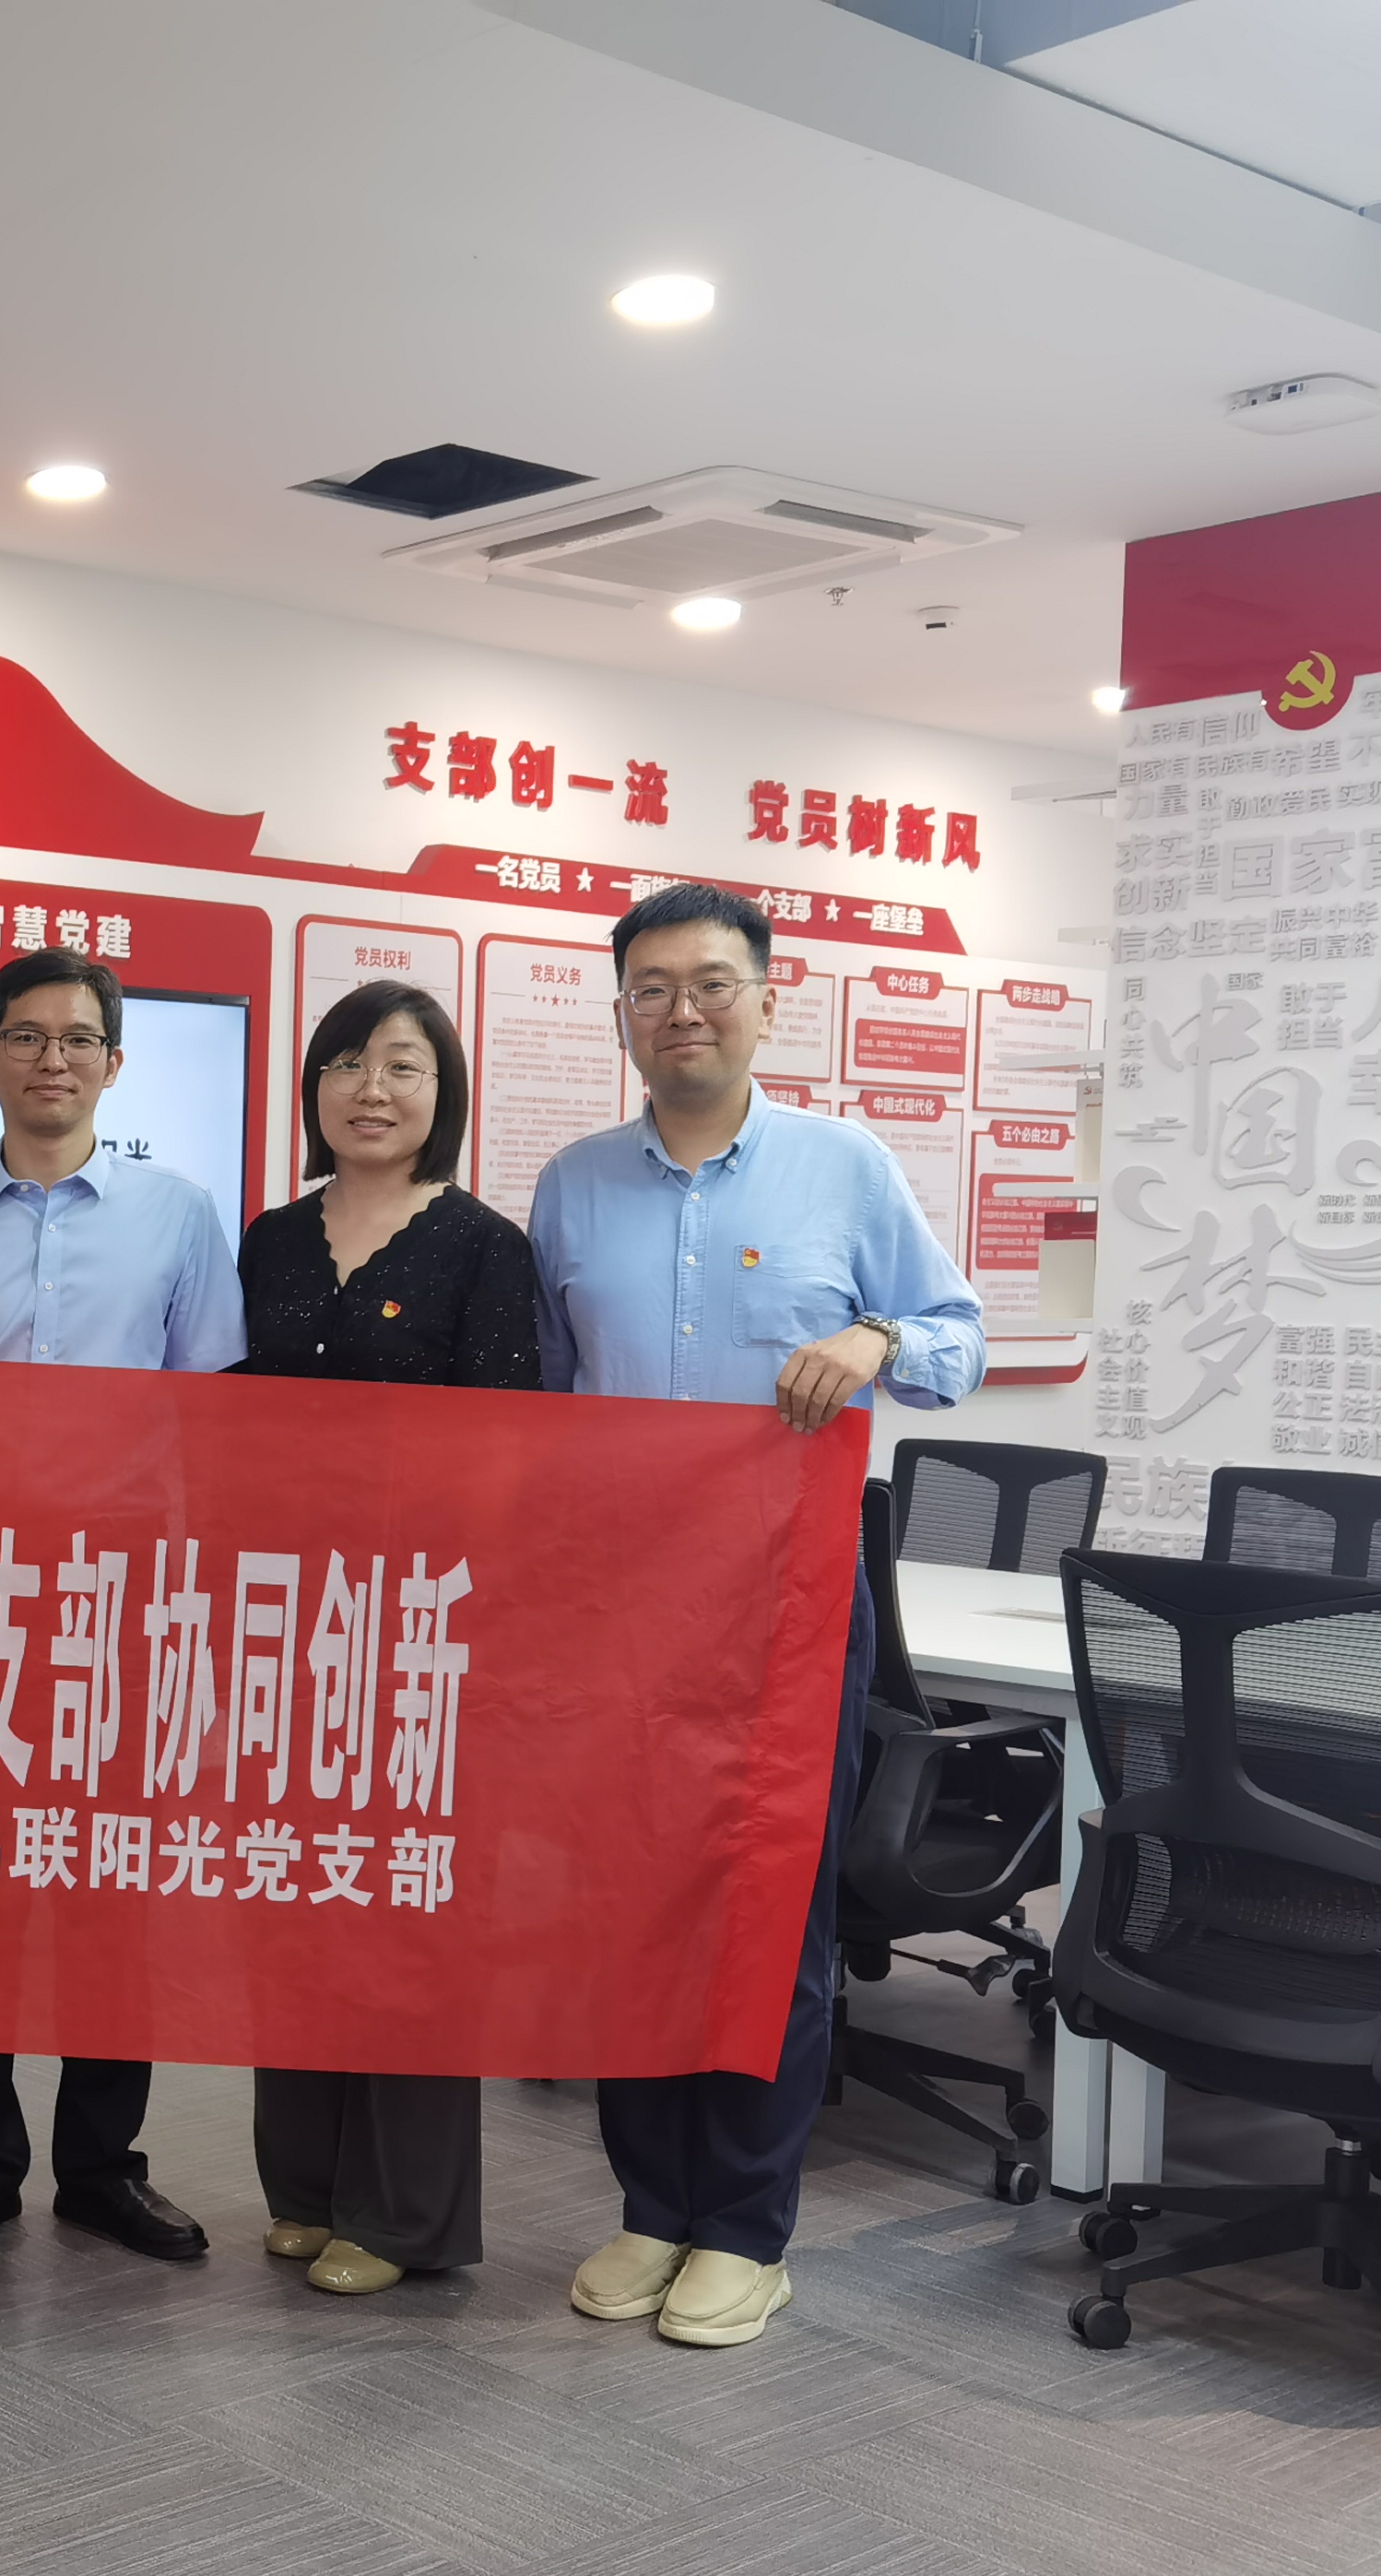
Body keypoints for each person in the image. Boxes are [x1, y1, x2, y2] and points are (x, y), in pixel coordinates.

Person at [531, 881, 980, 2348]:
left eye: (712, 984)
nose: (684, 1013)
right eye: (653, 990)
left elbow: (959, 1340)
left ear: (768, 1001)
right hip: (622, 1606)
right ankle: (652, 2205)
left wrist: (877, 1336)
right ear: (621, 1015)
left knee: (765, 1914)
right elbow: (546, 1406)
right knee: (630, 1914)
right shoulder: (573, 1185)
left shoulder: (845, 1170)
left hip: (786, 1600)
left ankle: (742, 2225)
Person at [0, 945, 242, 2266]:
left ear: (114, 1064)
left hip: (120, 1604)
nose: (53, 1059)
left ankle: (101, 2166)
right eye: (26, 1037)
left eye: (78, 1038)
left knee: (109, 1891)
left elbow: (214, 1424)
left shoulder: (180, 1216)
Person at [233, 980, 542, 2299]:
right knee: (295, 1896)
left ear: (442, 1092)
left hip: (423, 1627)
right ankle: (305, 2187)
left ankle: (404, 2212)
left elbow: (508, 1455)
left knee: (408, 1908)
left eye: (404, 1066)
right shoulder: (269, 1237)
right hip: (278, 1621)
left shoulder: (484, 1247)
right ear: (313, 1085)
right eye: (349, 1063)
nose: (373, 1089)